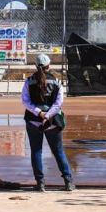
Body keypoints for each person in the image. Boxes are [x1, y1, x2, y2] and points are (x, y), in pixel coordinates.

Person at [21, 53, 74, 192]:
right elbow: (58, 103)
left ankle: (40, 184)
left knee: (36, 152)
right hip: (53, 122)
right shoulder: (57, 81)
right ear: (49, 66)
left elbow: (25, 102)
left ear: (35, 65)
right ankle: (68, 182)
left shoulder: (29, 81)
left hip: (33, 121)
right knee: (58, 152)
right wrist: (48, 115)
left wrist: (39, 113)